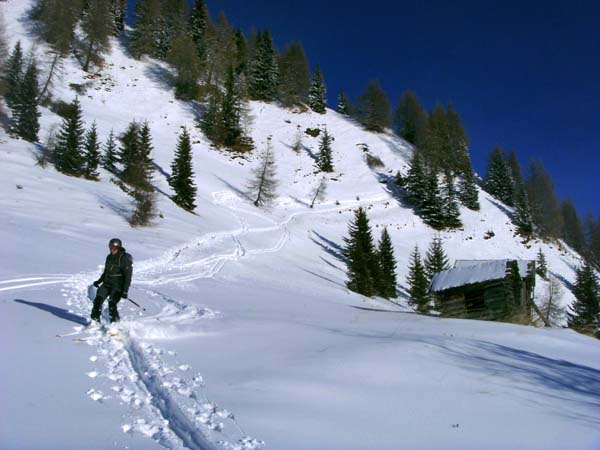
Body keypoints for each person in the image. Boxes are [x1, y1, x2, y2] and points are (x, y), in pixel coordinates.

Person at [91, 238, 133, 324]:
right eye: (111, 248)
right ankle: (95, 321)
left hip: (117, 286)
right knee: (97, 301)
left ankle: (115, 324)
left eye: (115, 248)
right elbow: (106, 272)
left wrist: (125, 291)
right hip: (106, 284)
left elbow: (128, 277)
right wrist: (99, 281)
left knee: (112, 304)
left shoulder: (124, 258)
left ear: (119, 248)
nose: (112, 250)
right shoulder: (109, 257)